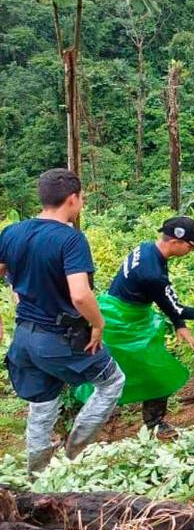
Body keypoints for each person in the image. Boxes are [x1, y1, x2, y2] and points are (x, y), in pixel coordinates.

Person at [0, 169, 125, 474]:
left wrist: (17, 288)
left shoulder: (11, 232)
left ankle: (37, 474)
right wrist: (98, 324)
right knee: (112, 382)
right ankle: (74, 453)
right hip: (59, 338)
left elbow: (4, 270)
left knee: (42, 405)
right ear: (72, 199)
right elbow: (80, 295)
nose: (81, 203)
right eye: (81, 198)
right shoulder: (70, 239)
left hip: (25, 338)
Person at [94, 216, 194, 437]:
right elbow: (175, 305)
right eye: (190, 245)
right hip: (123, 325)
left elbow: (163, 300)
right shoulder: (153, 274)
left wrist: (179, 325)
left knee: (138, 370)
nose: (191, 250)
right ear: (175, 242)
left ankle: (152, 423)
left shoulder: (148, 249)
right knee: (155, 371)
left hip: (124, 315)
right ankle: (144, 424)